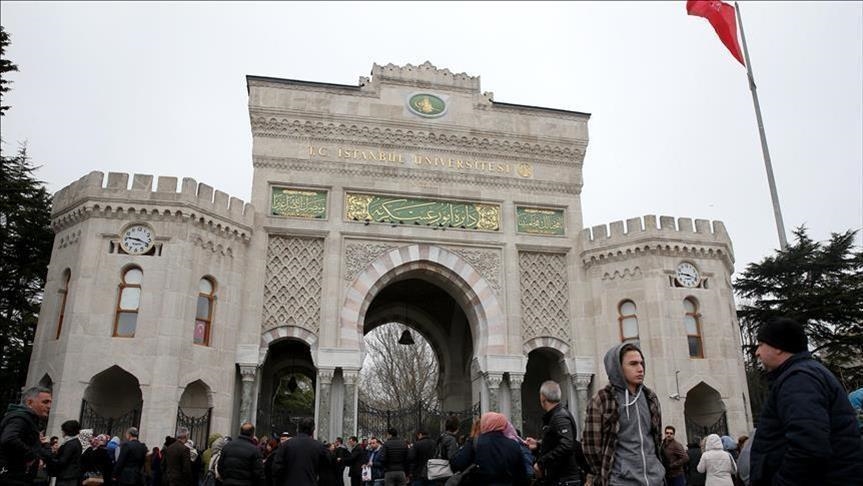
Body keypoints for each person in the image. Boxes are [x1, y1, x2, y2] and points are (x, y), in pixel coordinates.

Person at [749, 317, 863, 485]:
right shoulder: (802, 375)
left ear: (778, 346)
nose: (757, 352)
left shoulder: (799, 379)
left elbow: (808, 446)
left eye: (761, 345)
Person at [583, 342, 665, 486]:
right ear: (618, 368)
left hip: (655, 480)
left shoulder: (650, 397)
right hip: (620, 481)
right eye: (633, 364)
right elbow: (591, 447)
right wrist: (608, 474)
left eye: (641, 363)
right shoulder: (603, 399)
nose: (640, 369)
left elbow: (656, 439)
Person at [524, 380, 585, 485]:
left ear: (543, 398)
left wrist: (541, 463)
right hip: (560, 478)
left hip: (564, 479)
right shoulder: (556, 415)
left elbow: (566, 445)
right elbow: (557, 442)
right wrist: (538, 444)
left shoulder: (560, 417)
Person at [450, 412, 527, 486]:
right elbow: (522, 476)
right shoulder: (513, 445)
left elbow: (457, 464)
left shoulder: (476, 442)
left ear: (484, 423)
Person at [0, 385, 54, 486]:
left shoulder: (27, 419)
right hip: (12, 477)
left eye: (50, 402)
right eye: (45, 402)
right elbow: (9, 438)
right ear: (29, 402)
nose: (49, 406)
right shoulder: (20, 418)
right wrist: (32, 457)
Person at [270, 417, 326, 486]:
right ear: (313, 429)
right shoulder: (319, 447)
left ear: (298, 429)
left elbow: (276, 469)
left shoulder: (286, 445)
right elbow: (325, 472)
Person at [47, 420, 83, 486]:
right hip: (69, 476)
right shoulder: (74, 442)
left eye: (63, 430)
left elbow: (62, 461)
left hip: (66, 477)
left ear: (67, 431)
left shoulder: (71, 444)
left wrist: (49, 457)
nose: (62, 432)